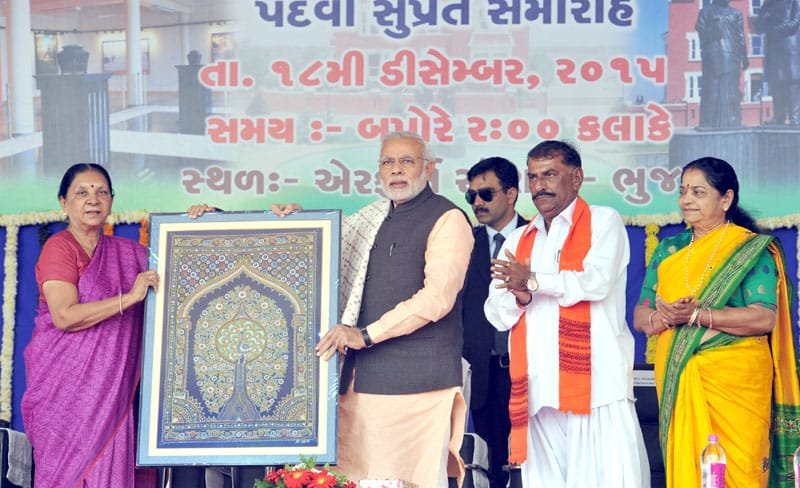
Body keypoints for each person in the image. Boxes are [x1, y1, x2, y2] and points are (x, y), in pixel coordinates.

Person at [192, 131, 474, 487]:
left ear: (429, 168)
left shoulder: (447, 218)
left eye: (407, 161)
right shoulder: (372, 218)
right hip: (356, 385)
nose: (396, 170)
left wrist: (365, 334)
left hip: (414, 388)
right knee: (350, 481)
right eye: (388, 162)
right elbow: (312, 250)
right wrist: (229, 222)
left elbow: (437, 298)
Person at [484, 140, 649, 487]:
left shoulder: (604, 222)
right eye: (533, 177)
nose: (539, 185)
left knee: (607, 480)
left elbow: (595, 282)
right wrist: (521, 297)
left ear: (576, 178)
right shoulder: (518, 239)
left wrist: (531, 280)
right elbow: (496, 312)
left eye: (550, 174)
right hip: (538, 389)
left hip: (596, 386)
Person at [633, 156, 799, 488]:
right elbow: (641, 315)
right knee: (689, 469)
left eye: (698, 192)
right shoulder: (669, 250)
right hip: (682, 377)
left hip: (737, 383)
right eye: (683, 192)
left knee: (740, 470)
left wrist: (698, 315)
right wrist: (661, 316)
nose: (686, 200)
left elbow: (763, 316)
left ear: (726, 199)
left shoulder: (750, 249)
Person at [21, 163, 160, 487]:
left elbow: (178, 263)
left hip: (113, 396)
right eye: (81, 193)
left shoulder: (129, 253)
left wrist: (204, 217)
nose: (93, 200)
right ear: (63, 203)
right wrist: (129, 298)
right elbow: (65, 316)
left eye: (101, 192)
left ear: (112, 200)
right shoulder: (60, 247)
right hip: (66, 398)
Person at [461, 156, 527, 488]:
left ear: (512, 193)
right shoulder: (462, 243)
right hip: (483, 372)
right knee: (488, 463)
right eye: (470, 196)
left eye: (485, 194)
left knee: (530, 463)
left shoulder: (538, 237)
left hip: (528, 369)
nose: (477, 203)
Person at [695, 0, 748, 128]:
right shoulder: (706, 11)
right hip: (713, 55)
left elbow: (740, 37)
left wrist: (744, 56)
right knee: (712, 88)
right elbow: (701, 31)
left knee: (732, 89)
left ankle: (732, 121)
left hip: (732, 55)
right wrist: (712, 30)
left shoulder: (736, 13)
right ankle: (709, 122)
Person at [753, 0, 800, 125]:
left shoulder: (794, 1)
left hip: (790, 46)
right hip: (773, 48)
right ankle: (779, 116)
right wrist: (764, 18)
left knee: (792, 81)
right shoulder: (767, 5)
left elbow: (795, 23)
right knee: (776, 81)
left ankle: (795, 117)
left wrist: (774, 30)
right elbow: (757, 28)